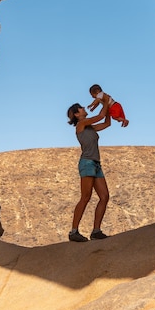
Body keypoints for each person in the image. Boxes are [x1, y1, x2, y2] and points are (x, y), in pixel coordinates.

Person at [66, 95, 111, 242]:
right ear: (76, 114)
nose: (83, 108)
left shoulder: (89, 126)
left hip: (96, 164)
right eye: (80, 108)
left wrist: (108, 106)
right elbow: (100, 116)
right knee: (85, 197)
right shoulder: (82, 124)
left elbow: (106, 123)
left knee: (104, 197)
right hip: (87, 163)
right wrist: (105, 100)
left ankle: (96, 231)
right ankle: (74, 232)